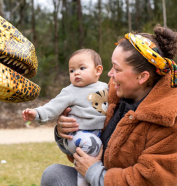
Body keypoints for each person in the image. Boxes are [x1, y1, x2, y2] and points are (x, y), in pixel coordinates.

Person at [40, 25, 177, 186]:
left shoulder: (169, 118)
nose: (109, 74)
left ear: (142, 77)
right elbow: (89, 145)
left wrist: (94, 172)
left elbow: (150, 180)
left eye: (117, 69)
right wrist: (65, 132)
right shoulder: (111, 96)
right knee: (55, 174)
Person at [22, 49, 108, 186]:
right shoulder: (70, 91)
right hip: (76, 135)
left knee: (96, 146)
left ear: (98, 70)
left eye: (82, 68)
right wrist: (37, 113)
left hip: (96, 134)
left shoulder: (106, 87)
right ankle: (83, 182)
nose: (76, 73)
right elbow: (53, 106)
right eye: (72, 71)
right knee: (93, 144)